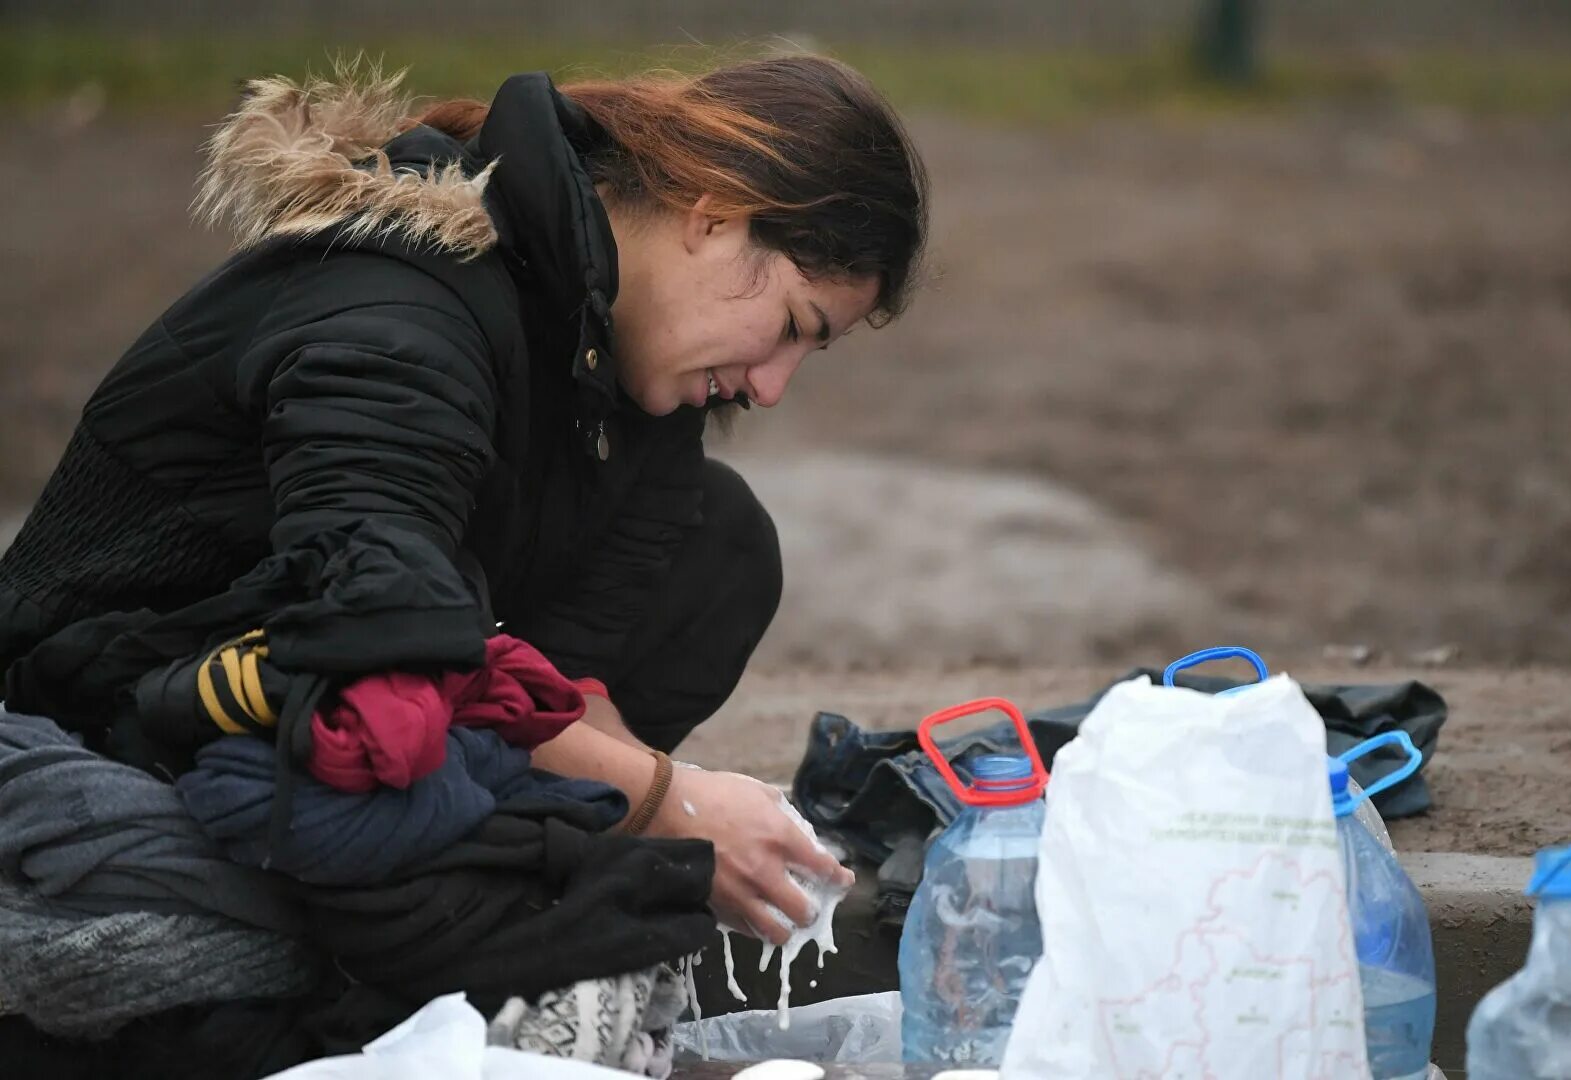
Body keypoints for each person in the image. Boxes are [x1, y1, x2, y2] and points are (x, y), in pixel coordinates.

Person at [0, 54, 926, 945]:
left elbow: (561, 686)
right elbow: (374, 623)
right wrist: (665, 803)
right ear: (715, 214)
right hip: (104, 701)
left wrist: (660, 792)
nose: (772, 387)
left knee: (716, 548)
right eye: (792, 328)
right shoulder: (406, 304)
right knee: (468, 855)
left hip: (332, 683)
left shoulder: (624, 353)